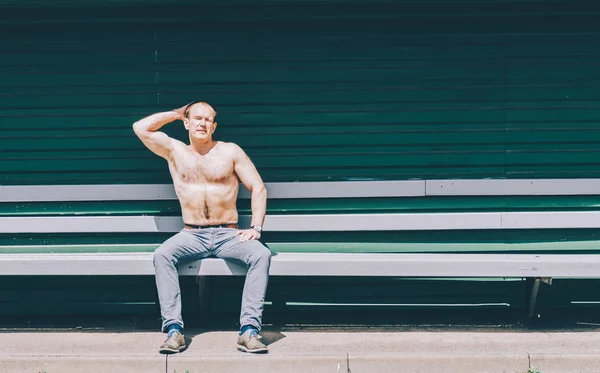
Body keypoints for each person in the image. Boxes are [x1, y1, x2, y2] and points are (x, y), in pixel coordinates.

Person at [133, 101, 272, 354]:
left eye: (208, 120)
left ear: (214, 126)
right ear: (187, 123)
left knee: (261, 254)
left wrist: (255, 227)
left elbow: (258, 188)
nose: (202, 123)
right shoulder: (174, 150)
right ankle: (174, 331)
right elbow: (140, 127)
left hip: (229, 234)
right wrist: (176, 114)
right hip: (191, 234)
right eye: (196, 118)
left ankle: (249, 331)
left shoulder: (230, 152)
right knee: (162, 255)